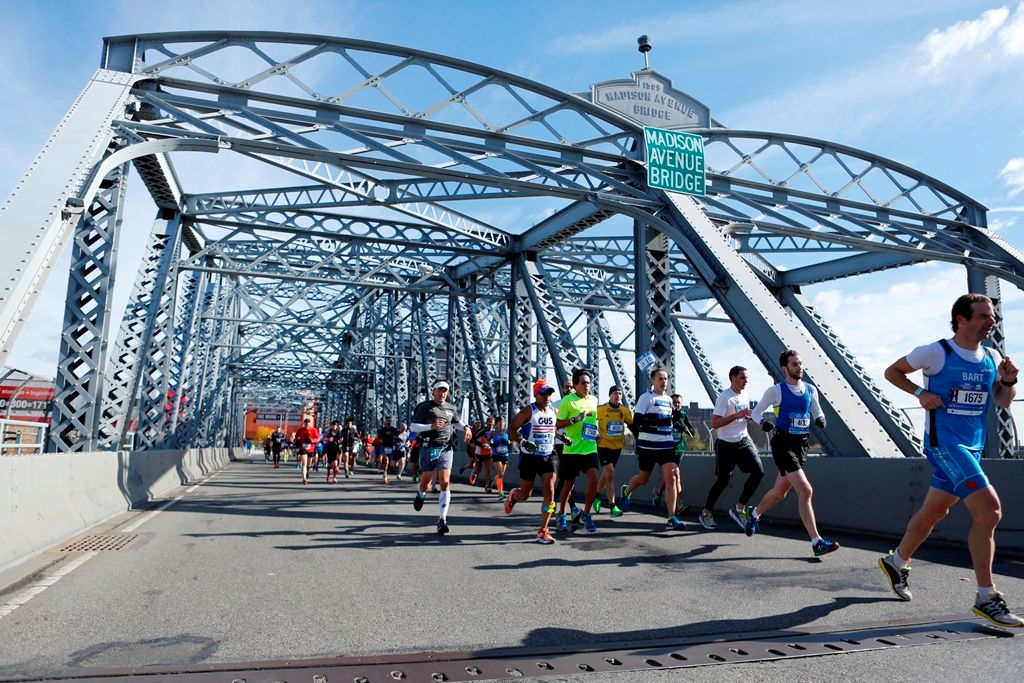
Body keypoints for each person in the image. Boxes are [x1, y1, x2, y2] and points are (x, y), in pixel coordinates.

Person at [878, 293, 1022, 627]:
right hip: (945, 445)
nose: (992, 321)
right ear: (962, 318)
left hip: (972, 447)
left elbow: (1001, 401)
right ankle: (987, 597)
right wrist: (920, 393)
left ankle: (896, 562)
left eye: (993, 316)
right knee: (990, 511)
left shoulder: (990, 356)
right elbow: (892, 372)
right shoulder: (936, 352)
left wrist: (1010, 381)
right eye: (984, 316)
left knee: (935, 512)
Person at [743, 350, 838, 557]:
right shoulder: (776, 391)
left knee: (780, 492)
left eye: (801, 363)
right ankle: (817, 542)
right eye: (794, 364)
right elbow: (756, 412)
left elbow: (817, 411)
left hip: (801, 445)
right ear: (785, 368)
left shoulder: (811, 390)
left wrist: (821, 419)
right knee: (805, 490)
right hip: (783, 444)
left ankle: (755, 513)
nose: (799, 367)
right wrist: (764, 423)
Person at [699, 366, 764, 531]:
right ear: (733, 378)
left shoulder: (745, 394)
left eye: (747, 378)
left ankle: (739, 508)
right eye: (742, 378)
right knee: (723, 481)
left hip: (743, 440)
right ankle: (706, 512)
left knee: (758, 472)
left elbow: (742, 417)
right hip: (726, 444)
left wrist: (746, 419)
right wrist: (737, 415)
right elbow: (715, 423)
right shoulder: (724, 398)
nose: (746, 381)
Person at [620, 367, 686, 530]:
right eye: (660, 379)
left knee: (671, 477)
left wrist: (676, 420)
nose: (664, 382)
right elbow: (637, 420)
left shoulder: (669, 400)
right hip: (648, 446)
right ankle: (626, 491)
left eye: (666, 379)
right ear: (653, 381)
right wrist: (658, 422)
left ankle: (671, 517)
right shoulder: (646, 398)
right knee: (643, 479)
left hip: (666, 445)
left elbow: (669, 422)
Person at [410, 379, 472, 535]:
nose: (442, 393)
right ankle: (420, 493)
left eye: (445, 390)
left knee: (445, 482)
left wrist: (465, 427)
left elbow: (456, 423)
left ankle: (442, 520)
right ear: (433, 391)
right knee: (426, 483)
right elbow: (413, 427)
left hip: (446, 447)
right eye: (439, 390)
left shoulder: (451, 408)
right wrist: (431, 426)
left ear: (447, 392)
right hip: (429, 447)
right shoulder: (425, 407)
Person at [504, 379, 560, 543]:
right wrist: (523, 442)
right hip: (529, 456)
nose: (547, 396)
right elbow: (511, 430)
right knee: (525, 494)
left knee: (549, 489)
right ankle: (515, 496)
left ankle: (543, 530)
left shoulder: (553, 411)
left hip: (548, 455)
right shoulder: (528, 411)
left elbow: (551, 430)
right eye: (543, 393)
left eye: (549, 393)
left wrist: (562, 436)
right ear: (536, 394)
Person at [555, 368, 600, 533]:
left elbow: (593, 422)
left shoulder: (594, 400)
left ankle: (586, 514)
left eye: (588, 383)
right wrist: (574, 419)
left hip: (589, 448)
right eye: (583, 383)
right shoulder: (568, 401)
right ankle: (561, 514)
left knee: (594, 478)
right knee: (568, 484)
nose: (586, 386)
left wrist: (597, 433)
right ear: (575, 385)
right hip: (572, 449)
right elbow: (558, 425)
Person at [594, 385, 633, 517]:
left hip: (617, 447)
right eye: (615, 393)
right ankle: (612, 506)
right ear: (610, 395)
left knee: (607, 475)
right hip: (603, 446)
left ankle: (596, 496)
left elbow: (632, 425)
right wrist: (594, 434)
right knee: (610, 473)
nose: (618, 396)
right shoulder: (601, 409)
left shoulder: (624, 410)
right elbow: (589, 420)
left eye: (620, 394)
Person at [293, 418, 321, 486]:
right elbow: (296, 437)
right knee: (304, 464)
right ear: (304, 424)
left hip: (311, 449)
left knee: (309, 465)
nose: (306, 425)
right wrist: (297, 441)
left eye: (308, 424)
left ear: (310, 424)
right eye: (305, 424)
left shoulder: (313, 430)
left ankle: (307, 471)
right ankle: (304, 478)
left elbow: (318, 438)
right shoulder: (300, 430)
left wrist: (312, 440)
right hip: (303, 449)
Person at [491, 418, 511, 500]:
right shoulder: (493, 432)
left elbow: (513, 442)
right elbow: (488, 440)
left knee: (501, 474)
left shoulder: (507, 432)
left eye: (503, 422)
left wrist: (508, 443)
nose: (501, 424)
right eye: (499, 423)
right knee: (501, 474)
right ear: (496, 424)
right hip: (496, 455)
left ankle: (496, 479)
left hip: (505, 455)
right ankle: (500, 493)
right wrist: (492, 445)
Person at [377, 416, 400, 485]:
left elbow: (397, 438)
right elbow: (379, 438)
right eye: (388, 420)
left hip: (391, 447)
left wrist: (395, 440)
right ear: (385, 421)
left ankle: (386, 471)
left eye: (390, 420)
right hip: (384, 446)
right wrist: (380, 440)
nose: (389, 422)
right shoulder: (382, 430)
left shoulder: (394, 430)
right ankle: (385, 475)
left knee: (390, 463)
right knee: (386, 461)